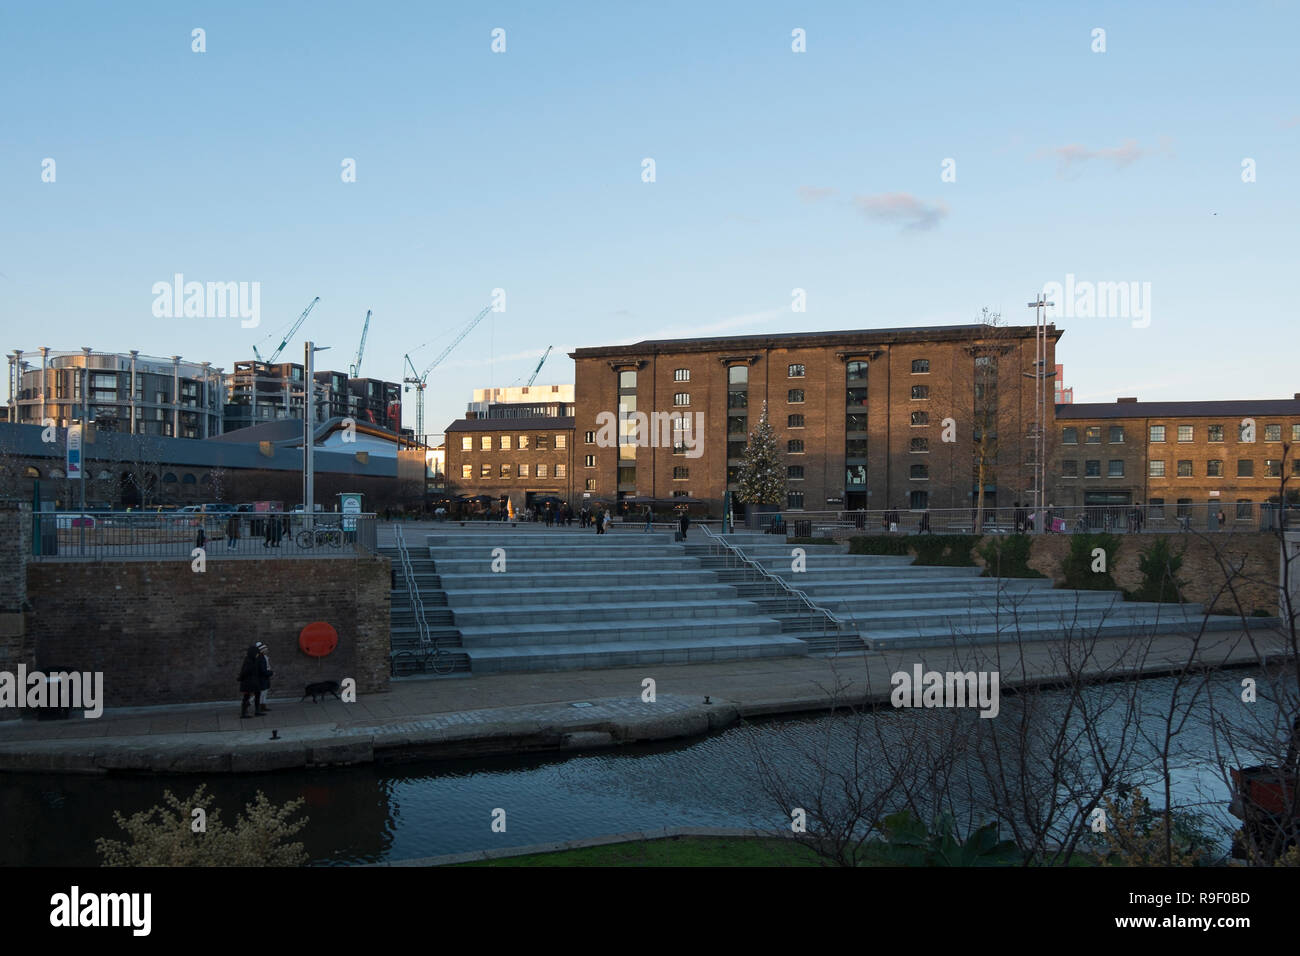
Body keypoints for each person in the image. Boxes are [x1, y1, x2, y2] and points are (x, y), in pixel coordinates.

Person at [237, 644, 261, 718]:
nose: (258, 654)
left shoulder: (253, 660)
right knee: (246, 697)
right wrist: (240, 678)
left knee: (256, 695)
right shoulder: (249, 661)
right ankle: (244, 713)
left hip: (252, 682)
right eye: (257, 653)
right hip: (248, 683)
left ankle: (256, 711)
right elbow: (245, 672)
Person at [255, 641, 273, 714]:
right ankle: (259, 706)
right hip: (263, 677)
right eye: (265, 649)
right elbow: (263, 669)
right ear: (262, 650)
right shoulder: (261, 658)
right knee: (262, 692)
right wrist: (270, 673)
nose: (267, 650)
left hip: (265, 676)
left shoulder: (264, 657)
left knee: (265, 691)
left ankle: (263, 705)